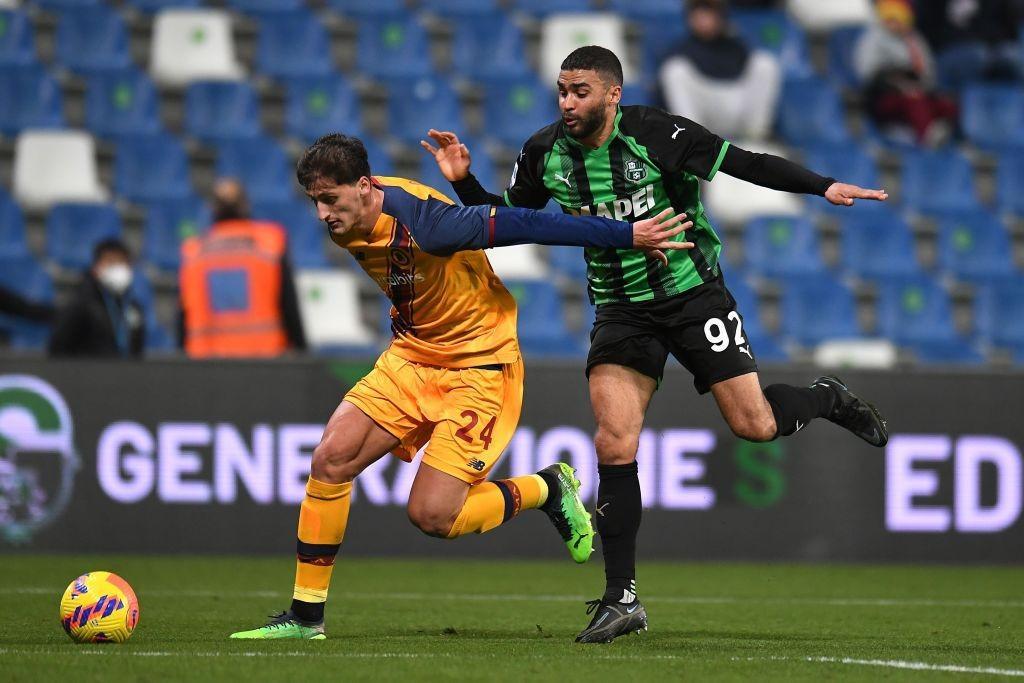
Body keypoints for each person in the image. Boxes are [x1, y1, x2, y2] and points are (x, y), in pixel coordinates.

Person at [424, 45, 890, 644]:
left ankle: (826, 398)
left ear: (612, 94)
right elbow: (508, 224)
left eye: (580, 91)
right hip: (620, 311)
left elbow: (743, 163)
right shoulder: (543, 153)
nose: (567, 102)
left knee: (755, 425)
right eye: (562, 90)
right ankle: (622, 598)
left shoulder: (659, 134)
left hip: (694, 296)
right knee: (613, 440)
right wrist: (466, 184)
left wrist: (821, 186)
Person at [229, 133, 694, 640]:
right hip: (413, 355)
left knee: (432, 516)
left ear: (364, 186)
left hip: (480, 364)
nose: (321, 214)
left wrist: (627, 234)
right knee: (330, 459)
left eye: (330, 200)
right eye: (315, 201)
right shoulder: (350, 216)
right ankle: (305, 617)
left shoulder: (429, 225)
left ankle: (545, 488)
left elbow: (530, 224)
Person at [178, 178, 306, 358]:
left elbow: (183, 314)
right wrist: (302, 350)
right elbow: (289, 304)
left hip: (207, 363)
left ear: (212, 209)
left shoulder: (193, 252)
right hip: (264, 359)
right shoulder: (270, 243)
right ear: (245, 205)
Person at [658, 0, 782, 141]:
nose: (703, 20)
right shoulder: (679, 49)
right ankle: (694, 142)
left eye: (709, 13)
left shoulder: (736, 46)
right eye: (698, 14)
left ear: (721, 17)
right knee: (674, 70)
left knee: (764, 63)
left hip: (737, 110)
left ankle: (756, 137)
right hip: (703, 116)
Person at [855, 0, 959, 146]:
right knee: (914, 99)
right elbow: (869, 73)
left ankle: (950, 139)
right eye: (892, 20)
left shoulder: (914, 39)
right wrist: (898, 84)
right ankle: (928, 140)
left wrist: (919, 85)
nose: (896, 24)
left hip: (918, 90)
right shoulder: (873, 38)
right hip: (885, 95)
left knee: (947, 104)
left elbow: (928, 72)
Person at [49, 238, 145, 358]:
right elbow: (58, 348)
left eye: (122, 262)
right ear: (96, 267)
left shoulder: (133, 307)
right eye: (110, 262)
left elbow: (137, 351)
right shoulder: (78, 305)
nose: (117, 267)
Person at [915, 0, 1023, 89]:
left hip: (991, 50)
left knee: (1010, 56)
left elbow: (1007, 30)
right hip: (945, 55)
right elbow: (926, 32)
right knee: (976, 56)